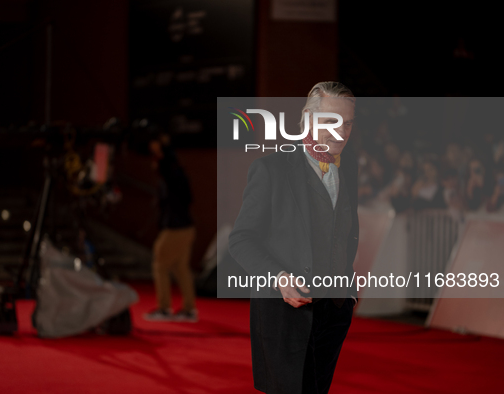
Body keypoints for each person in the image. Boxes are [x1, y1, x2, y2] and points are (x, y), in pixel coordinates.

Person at [229, 82, 359, 394]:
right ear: (308, 119)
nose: (341, 132)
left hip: (335, 309)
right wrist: (279, 277)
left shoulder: (349, 170)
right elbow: (241, 239)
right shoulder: (271, 169)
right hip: (284, 313)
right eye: (331, 122)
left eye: (348, 123)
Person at [143, 133, 198, 322]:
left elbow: (165, 163)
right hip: (186, 227)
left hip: (175, 228)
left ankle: (164, 307)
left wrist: (160, 149)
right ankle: (189, 309)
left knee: (160, 263)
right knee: (180, 267)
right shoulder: (177, 173)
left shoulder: (170, 172)